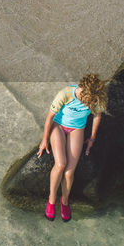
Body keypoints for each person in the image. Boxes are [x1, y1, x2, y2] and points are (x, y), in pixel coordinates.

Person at [37, 73, 107, 222]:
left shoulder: (96, 98)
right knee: (61, 164)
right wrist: (44, 140)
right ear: (82, 91)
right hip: (59, 126)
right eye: (87, 101)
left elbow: (97, 116)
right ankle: (51, 200)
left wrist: (92, 138)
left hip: (77, 130)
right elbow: (50, 116)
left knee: (69, 172)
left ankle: (65, 201)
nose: (89, 105)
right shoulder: (66, 93)